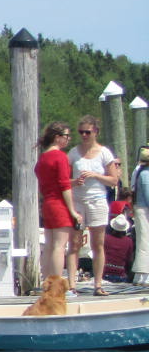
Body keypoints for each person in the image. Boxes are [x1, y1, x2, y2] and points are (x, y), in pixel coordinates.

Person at [67, 114, 120, 295]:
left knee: (98, 244)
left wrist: (95, 175)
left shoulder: (104, 153)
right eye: (81, 132)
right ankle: (72, 284)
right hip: (78, 201)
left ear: (95, 132)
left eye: (87, 132)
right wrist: (76, 181)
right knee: (74, 244)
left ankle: (98, 284)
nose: (84, 136)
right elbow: (64, 180)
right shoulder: (74, 153)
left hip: (97, 200)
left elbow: (114, 180)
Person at [35, 120, 82, 288]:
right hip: (59, 204)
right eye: (66, 136)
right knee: (59, 246)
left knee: (49, 245)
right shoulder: (60, 157)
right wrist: (73, 211)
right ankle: (56, 284)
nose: (68, 139)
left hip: (47, 203)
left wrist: (72, 183)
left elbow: (50, 183)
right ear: (57, 138)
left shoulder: (43, 158)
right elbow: (64, 186)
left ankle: (46, 282)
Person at [128, 145, 149, 286]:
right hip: (144, 210)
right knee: (145, 242)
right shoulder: (146, 174)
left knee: (143, 241)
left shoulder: (140, 171)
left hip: (140, 208)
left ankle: (139, 276)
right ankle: (144, 276)